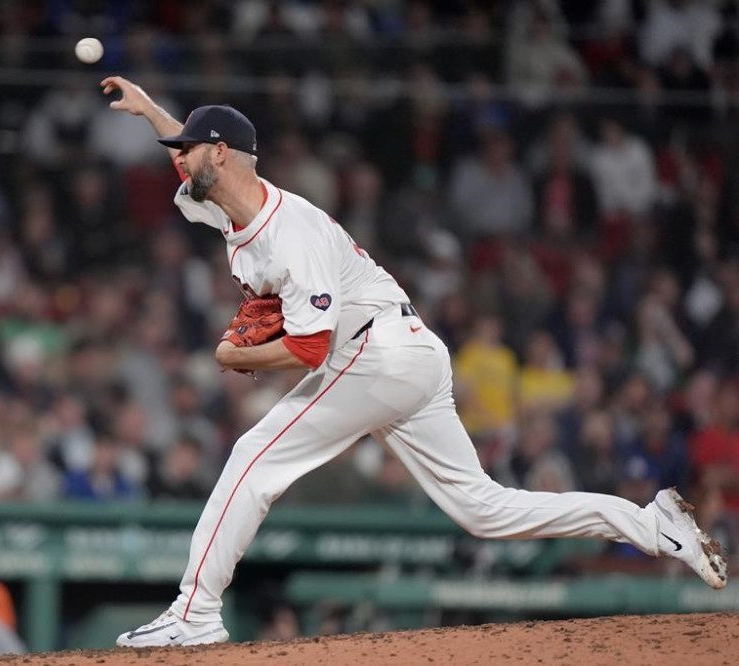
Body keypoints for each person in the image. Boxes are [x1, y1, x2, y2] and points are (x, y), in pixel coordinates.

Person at [100, 76, 728, 649]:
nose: (177, 158)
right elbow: (185, 155)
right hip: (405, 355)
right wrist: (150, 110)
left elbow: (309, 350)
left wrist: (234, 354)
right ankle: (651, 525)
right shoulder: (224, 207)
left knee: (253, 456)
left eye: (189, 147)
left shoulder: (291, 232)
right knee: (484, 510)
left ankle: (195, 612)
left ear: (221, 153)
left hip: (380, 356)